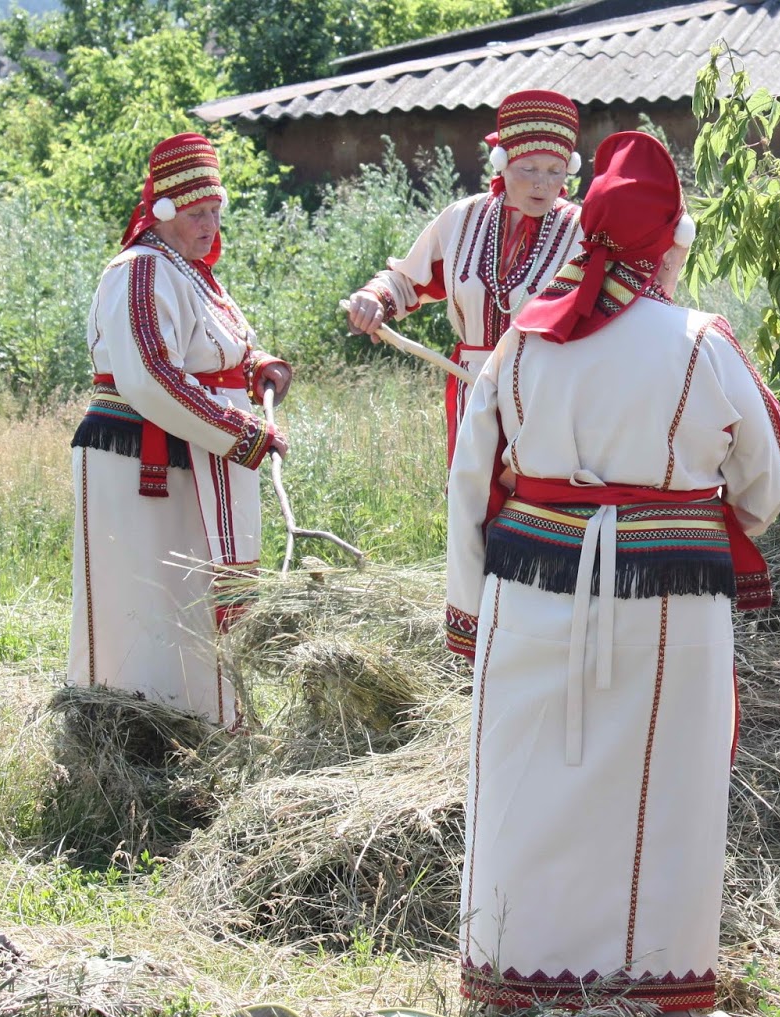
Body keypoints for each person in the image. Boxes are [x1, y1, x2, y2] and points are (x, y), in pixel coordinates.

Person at [444, 131, 780, 1017]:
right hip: (669, 601)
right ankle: (652, 993)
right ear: (666, 245)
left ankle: (517, 979)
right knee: (662, 789)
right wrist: (692, 514)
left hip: (530, 588)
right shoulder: (701, 341)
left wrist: (466, 609)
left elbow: (470, 478)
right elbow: (770, 476)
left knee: (532, 777)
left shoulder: (522, 341)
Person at [67, 132, 292, 729]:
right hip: (142, 458)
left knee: (185, 588)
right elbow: (151, 375)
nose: (210, 226)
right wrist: (242, 432)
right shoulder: (140, 270)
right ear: (163, 210)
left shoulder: (189, 272)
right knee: (150, 589)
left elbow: (211, 349)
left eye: (216, 212)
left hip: (190, 451)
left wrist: (255, 366)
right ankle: (140, 724)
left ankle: (204, 718)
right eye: (197, 214)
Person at [345, 90, 585, 463]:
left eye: (555, 171)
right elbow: (408, 281)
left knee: (537, 493)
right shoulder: (463, 218)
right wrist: (374, 298)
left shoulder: (582, 232)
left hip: (547, 394)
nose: (542, 183)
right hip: (472, 389)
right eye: (529, 169)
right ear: (503, 164)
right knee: (471, 494)